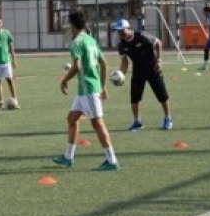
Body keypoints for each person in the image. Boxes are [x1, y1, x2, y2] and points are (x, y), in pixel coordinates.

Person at [54, 11, 119, 171]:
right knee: (72, 119)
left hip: (88, 89)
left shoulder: (77, 42)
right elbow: (104, 63)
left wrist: (64, 80)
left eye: (69, 24)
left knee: (97, 123)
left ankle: (112, 161)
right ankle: (68, 158)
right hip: (85, 90)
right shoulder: (91, 40)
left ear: (73, 25)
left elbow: (76, 67)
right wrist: (103, 86)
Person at [113, 18, 172, 131]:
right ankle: (137, 122)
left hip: (152, 67)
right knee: (134, 97)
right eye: (118, 31)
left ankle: (167, 118)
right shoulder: (121, 44)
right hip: (138, 70)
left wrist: (159, 61)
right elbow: (124, 62)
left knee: (162, 94)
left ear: (128, 28)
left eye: (122, 30)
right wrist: (121, 75)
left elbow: (158, 43)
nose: (120, 33)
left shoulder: (141, 36)